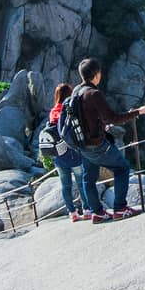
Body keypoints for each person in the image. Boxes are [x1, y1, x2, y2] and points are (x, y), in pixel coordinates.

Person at [70, 57, 145, 222]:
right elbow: (114, 118)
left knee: (88, 179)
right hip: (97, 145)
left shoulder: (76, 92)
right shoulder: (94, 94)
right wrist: (137, 112)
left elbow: (85, 118)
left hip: (82, 145)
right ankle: (120, 208)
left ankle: (97, 213)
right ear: (96, 75)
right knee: (122, 168)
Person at [45, 83, 87, 222]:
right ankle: (87, 209)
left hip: (58, 154)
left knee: (65, 185)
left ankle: (72, 213)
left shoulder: (53, 112)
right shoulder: (69, 109)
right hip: (73, 152)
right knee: (81, 182)